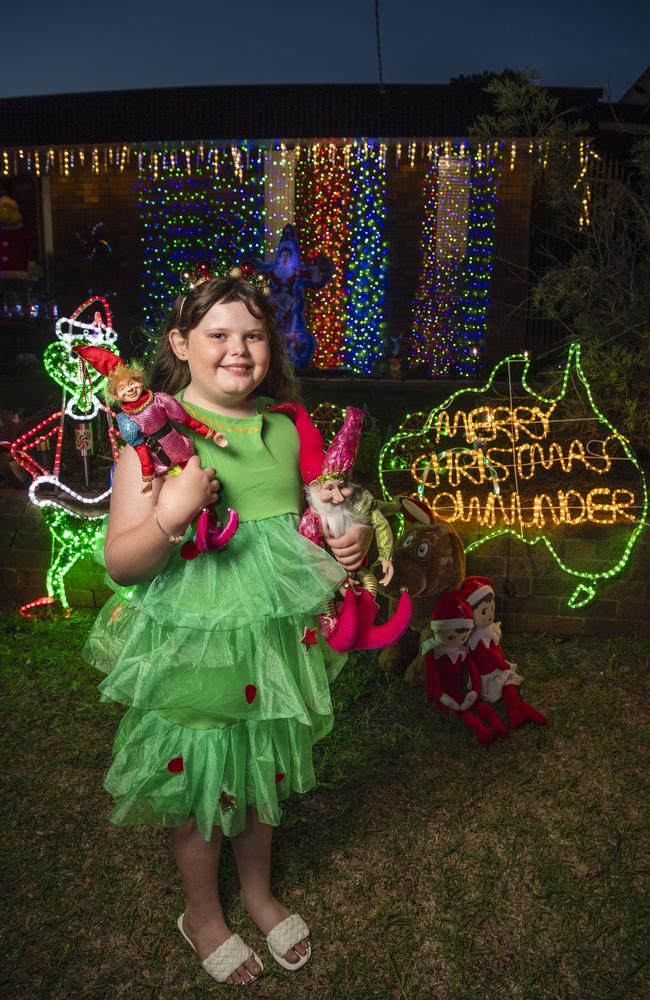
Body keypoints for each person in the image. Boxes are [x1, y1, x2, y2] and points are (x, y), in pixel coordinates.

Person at [83, 265, 371, 985]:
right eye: (217, 334)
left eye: (254, 334)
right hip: (196, 643)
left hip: (272, 646)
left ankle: (258, 894)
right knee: (201, 774)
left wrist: (350, 540)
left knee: (262, 763)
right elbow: (124, 561)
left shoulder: (282, 427)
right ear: (180, 343)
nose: (238, 349)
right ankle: (203, 913)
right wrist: (173, 516)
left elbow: (310, 532)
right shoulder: (149, 438)